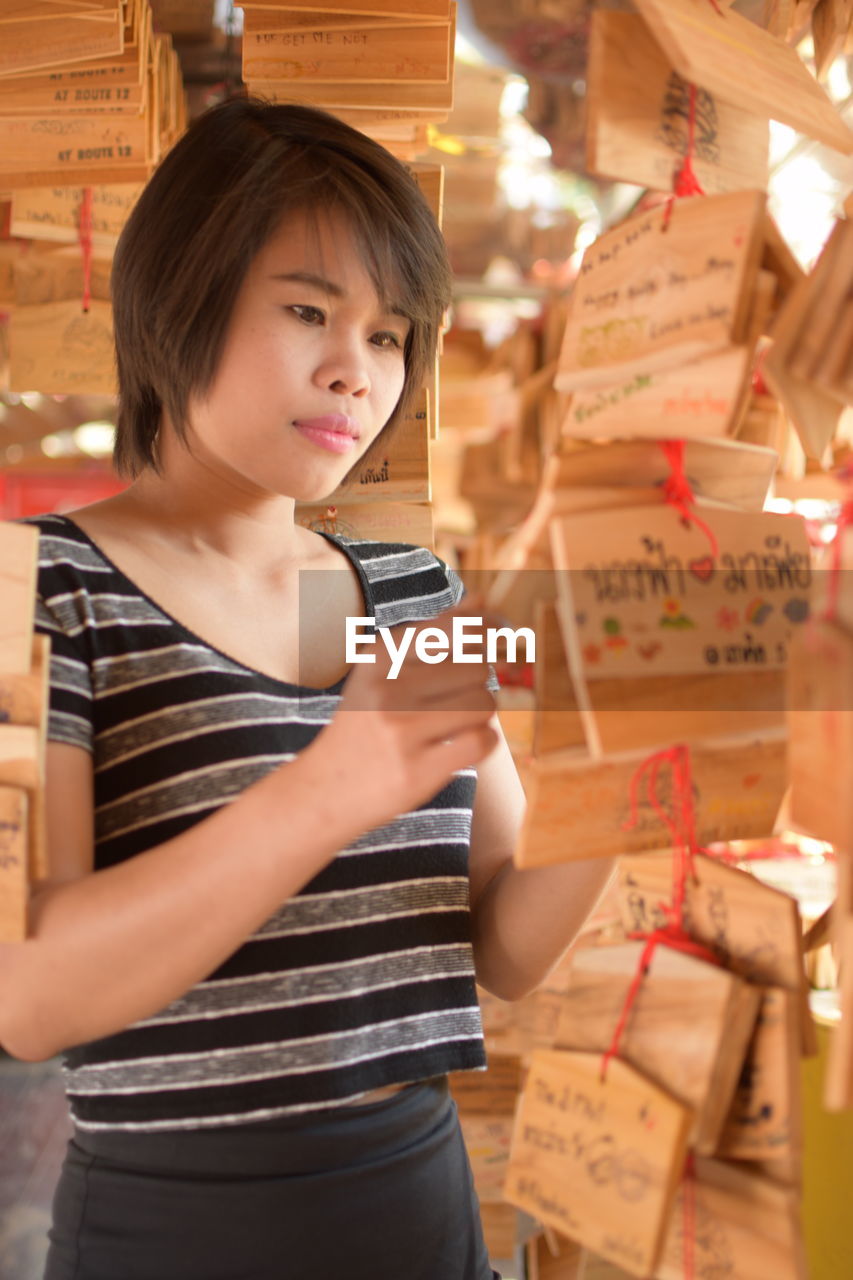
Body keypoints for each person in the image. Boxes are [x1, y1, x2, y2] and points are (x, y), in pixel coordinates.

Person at [0, 98, 614, 1280]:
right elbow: (29, 996)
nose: (355, 371)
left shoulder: (399, 587)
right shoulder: (46, 585)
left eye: (389, 336)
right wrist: (328, 788)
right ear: (180, 297)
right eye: (307, 312)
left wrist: (629, 782)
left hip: (424, 1213)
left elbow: (502, 942)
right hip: (178, 1231)